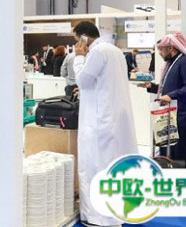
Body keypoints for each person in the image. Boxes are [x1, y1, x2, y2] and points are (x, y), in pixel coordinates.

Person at [72, 21, 137, 227]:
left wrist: (79, 57)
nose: (76, 44)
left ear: (84, 37)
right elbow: (101, 82)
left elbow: (83, 80)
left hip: (99, 122)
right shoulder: (114, 50)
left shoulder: (97, 52)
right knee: (112, 165)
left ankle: (99, 218)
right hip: (113, 117)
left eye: (76, 40)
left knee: (95, 165)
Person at [144, 33, 186, 168]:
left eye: (161, 49)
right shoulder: (172, 63)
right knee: (171, 151)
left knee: (183, 152)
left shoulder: (185, 62)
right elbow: (170, 86)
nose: (159, 53)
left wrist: (171, 96)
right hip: (172, 114)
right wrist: (152, 87)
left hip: (183, 116)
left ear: (171, 48)